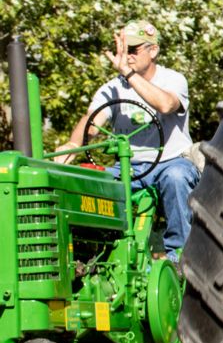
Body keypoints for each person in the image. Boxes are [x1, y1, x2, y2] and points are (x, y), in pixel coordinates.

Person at [57, 21, 197, 257]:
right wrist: (72, 146)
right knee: (91, 184)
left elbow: (165, 104)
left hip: (171, 161)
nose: (126, 56)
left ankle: (181, 255)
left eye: (132, 50)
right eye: (123, 49)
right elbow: (91, 122)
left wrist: (128, 74)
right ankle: (98, 253)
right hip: (128, 168)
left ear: (153, 51)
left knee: (176, 178)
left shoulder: (173, 80)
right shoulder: (111, 89)